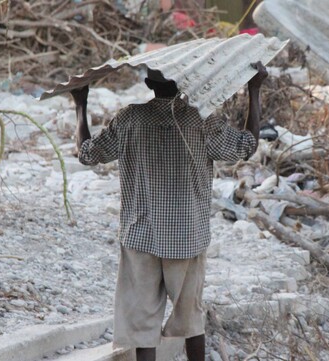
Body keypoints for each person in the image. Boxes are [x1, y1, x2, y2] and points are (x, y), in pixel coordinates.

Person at [70, 62, 267, 361]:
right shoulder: (201, 120)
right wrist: (254, 89)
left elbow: (87, 153)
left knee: (142, 322)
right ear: (184, 83)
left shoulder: (129, 119)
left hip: (141, 234)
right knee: (191, 317)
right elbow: (248, 145)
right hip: (188, 236)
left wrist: (80, 105)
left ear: (149, 86)